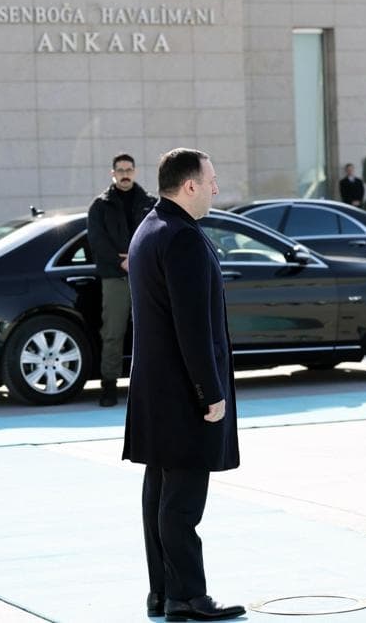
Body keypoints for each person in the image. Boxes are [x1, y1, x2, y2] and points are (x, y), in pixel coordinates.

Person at [122, 148, 245, 621]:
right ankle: (188, 597)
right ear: (189, 185)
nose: (216, 188)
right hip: (181, 393)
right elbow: (192, 327)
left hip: (155, 389)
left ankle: (164, 593)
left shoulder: (149, 229)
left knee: (159, 494)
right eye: (211, 180)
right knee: (181, 503)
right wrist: (209, 392)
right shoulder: (182, 238)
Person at [87, 153, 156, 407]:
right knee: (113, 332)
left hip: (146, 276)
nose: (125, 174)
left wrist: (137, 258)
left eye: (129, 169)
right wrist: (122, 262)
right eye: (120, 170)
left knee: (150, 332)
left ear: (135, 172)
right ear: (112, 173)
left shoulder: (150, 203)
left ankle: (150, 387)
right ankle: (109, 386)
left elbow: (157, 234)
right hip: (115, 276)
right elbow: (97, 240)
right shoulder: (100, 205)